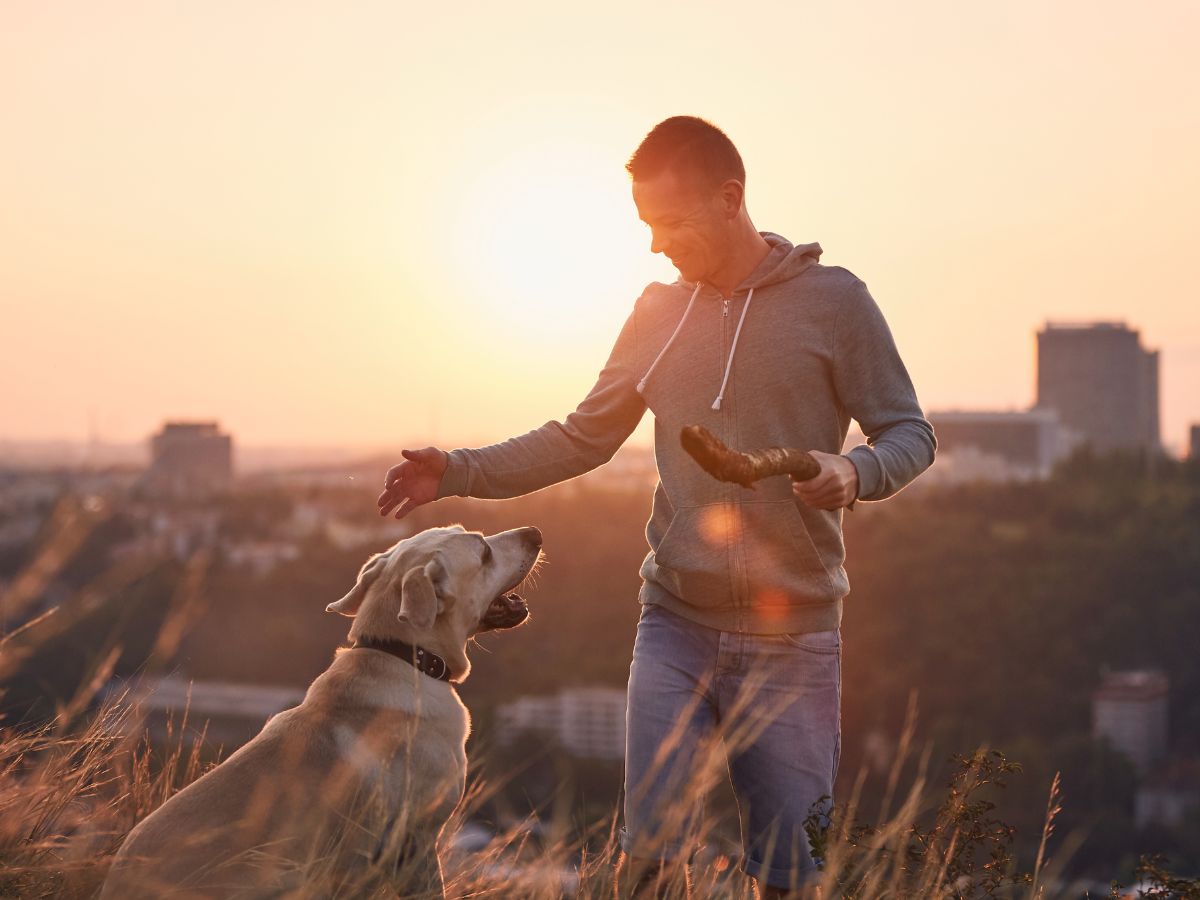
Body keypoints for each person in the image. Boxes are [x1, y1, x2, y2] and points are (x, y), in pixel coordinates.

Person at [376, 116, 936, 899]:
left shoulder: (834, 302)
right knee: (650, 865)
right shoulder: (656, 313)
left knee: (791, 876)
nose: (654, 244)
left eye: (668, 222)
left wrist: (859, 469)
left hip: (795, 639)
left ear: (729, 197)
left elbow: (910, 431)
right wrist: (458, 470)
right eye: (645, 224)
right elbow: (581, 438)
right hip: (675, 624)